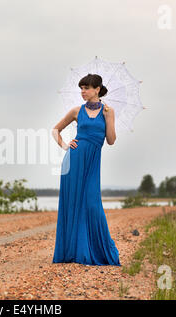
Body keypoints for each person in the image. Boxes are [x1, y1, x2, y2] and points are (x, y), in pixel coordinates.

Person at [51, 73, 121, 266]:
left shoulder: (108, 111)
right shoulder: (76, 111)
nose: (83, 91)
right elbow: (55, 129)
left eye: (86, 88)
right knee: (73, 204)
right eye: (81, 88)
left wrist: (108, 117)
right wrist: (65, 146)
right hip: (73, 160)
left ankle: (97, 250)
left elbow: (111, 141)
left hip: (92, 163)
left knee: (92, 204)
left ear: (97, 89)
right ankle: (73, 252)